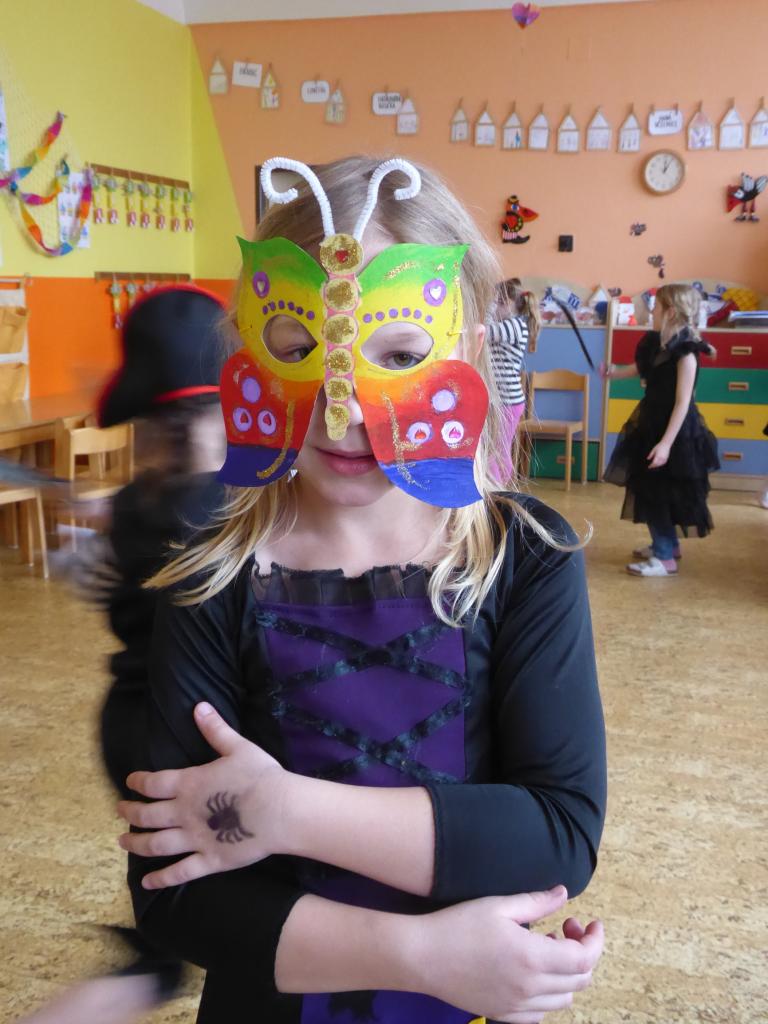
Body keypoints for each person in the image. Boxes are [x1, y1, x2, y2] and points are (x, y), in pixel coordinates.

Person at [115, 155, 607, 1024]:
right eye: (298, 351)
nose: (341, 412)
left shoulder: (524, 558)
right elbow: (174, 891)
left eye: (401, 355)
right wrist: (420, 956)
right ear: (253, 355)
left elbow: (558, 836)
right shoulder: (210, 577)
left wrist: (285, 812)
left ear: (464, 353)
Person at [16, 284, 229, 1024]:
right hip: (189, 746)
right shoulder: (223, 508)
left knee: (167, 948)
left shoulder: (142, 504)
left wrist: (105, 515)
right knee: (214, 940)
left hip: (132, 731)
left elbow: (124, 557)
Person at [602, 283, 720, 577]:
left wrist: (666, 444)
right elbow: (640, 368)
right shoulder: (658, 343)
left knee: (658, 491)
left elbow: (683, 403)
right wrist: (614, 373)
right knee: (653, 488)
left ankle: (664, 558)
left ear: (670, 312)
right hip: (652, 422)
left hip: (673, 432)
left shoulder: (686, 354)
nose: (651, 311)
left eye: (655, 307)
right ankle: (667, 545)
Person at [486, 277, 541, 485]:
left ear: (508, 304)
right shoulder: (510, 324)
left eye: (498, 303)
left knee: (498, 450)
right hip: (500, 399)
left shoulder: (515, 326)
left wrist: (489, 306)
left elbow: (486, 333)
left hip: (507, 400)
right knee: (494, 448)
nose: (494, 308)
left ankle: (497, 488)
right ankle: (495, 486)